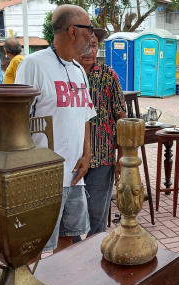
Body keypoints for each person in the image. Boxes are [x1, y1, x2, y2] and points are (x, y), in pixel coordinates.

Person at [15, 4, 95, 252]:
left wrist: (86, 154)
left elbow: (84, 116)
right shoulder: (33, 65)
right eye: (88, 29)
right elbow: (17, 122)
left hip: (74, 175)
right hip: (43, 178)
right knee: (36, 246)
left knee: (68, 239)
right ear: (73, 31)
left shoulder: (79, 70)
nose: (92, 35)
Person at [76, 27, 127, 237]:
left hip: (102, 157)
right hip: (70, 158)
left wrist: (122, 157)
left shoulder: (108, 76)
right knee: (70, 218)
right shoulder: (67, 75)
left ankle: (93, 260)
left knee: (96, 216)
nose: (89, 50)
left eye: (94, 45)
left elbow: (121, 117)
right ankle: (74, 261)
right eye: (85, 45)